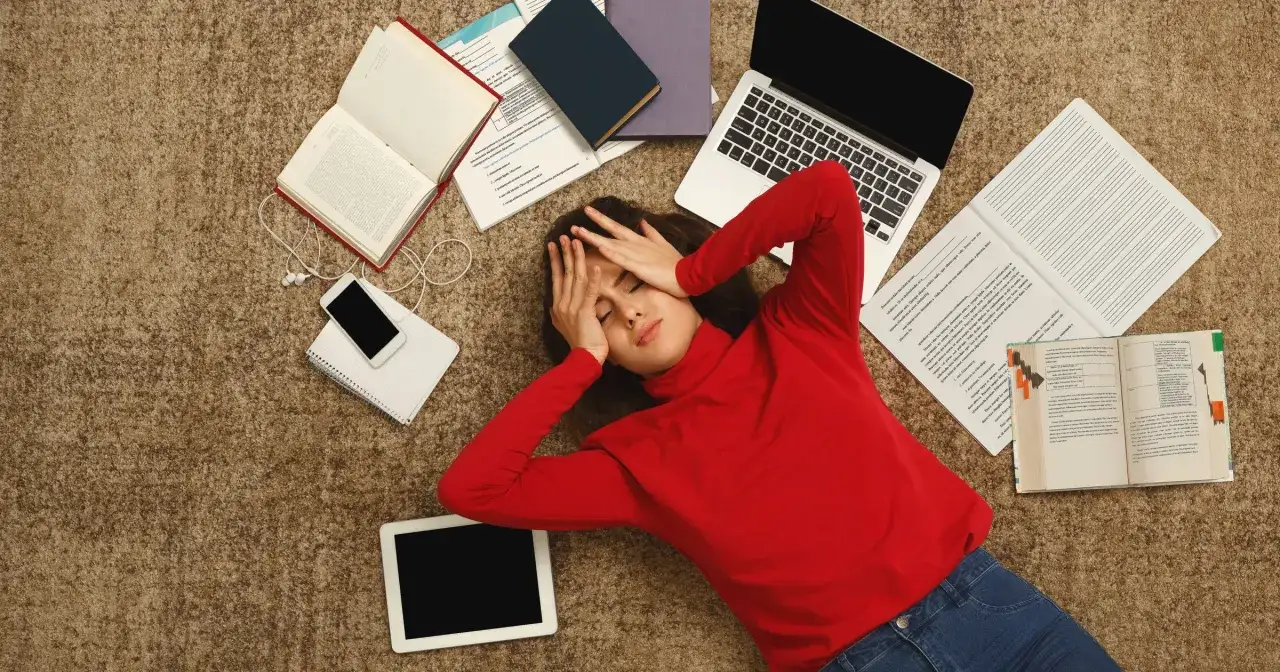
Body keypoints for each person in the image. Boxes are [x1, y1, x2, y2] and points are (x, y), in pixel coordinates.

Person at [437, 161, 1121, 672]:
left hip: (992, 609)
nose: (633, 313)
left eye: (634, 283)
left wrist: (692, 271)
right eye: (603, 316)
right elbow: (473, 490)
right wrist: (579, 360)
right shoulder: (627, 462)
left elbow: (827, 192)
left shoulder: (800, 326)